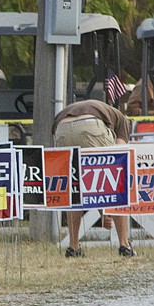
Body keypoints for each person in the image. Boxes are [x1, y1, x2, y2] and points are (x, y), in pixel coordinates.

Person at [53, 99, 135, 257]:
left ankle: (73, 247)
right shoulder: (123, 121)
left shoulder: (102, 110)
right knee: (117, 182)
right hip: (91, 124)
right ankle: (124, 245)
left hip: (61, 125)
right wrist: (105, 212)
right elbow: (116, 158)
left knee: (74, 188)